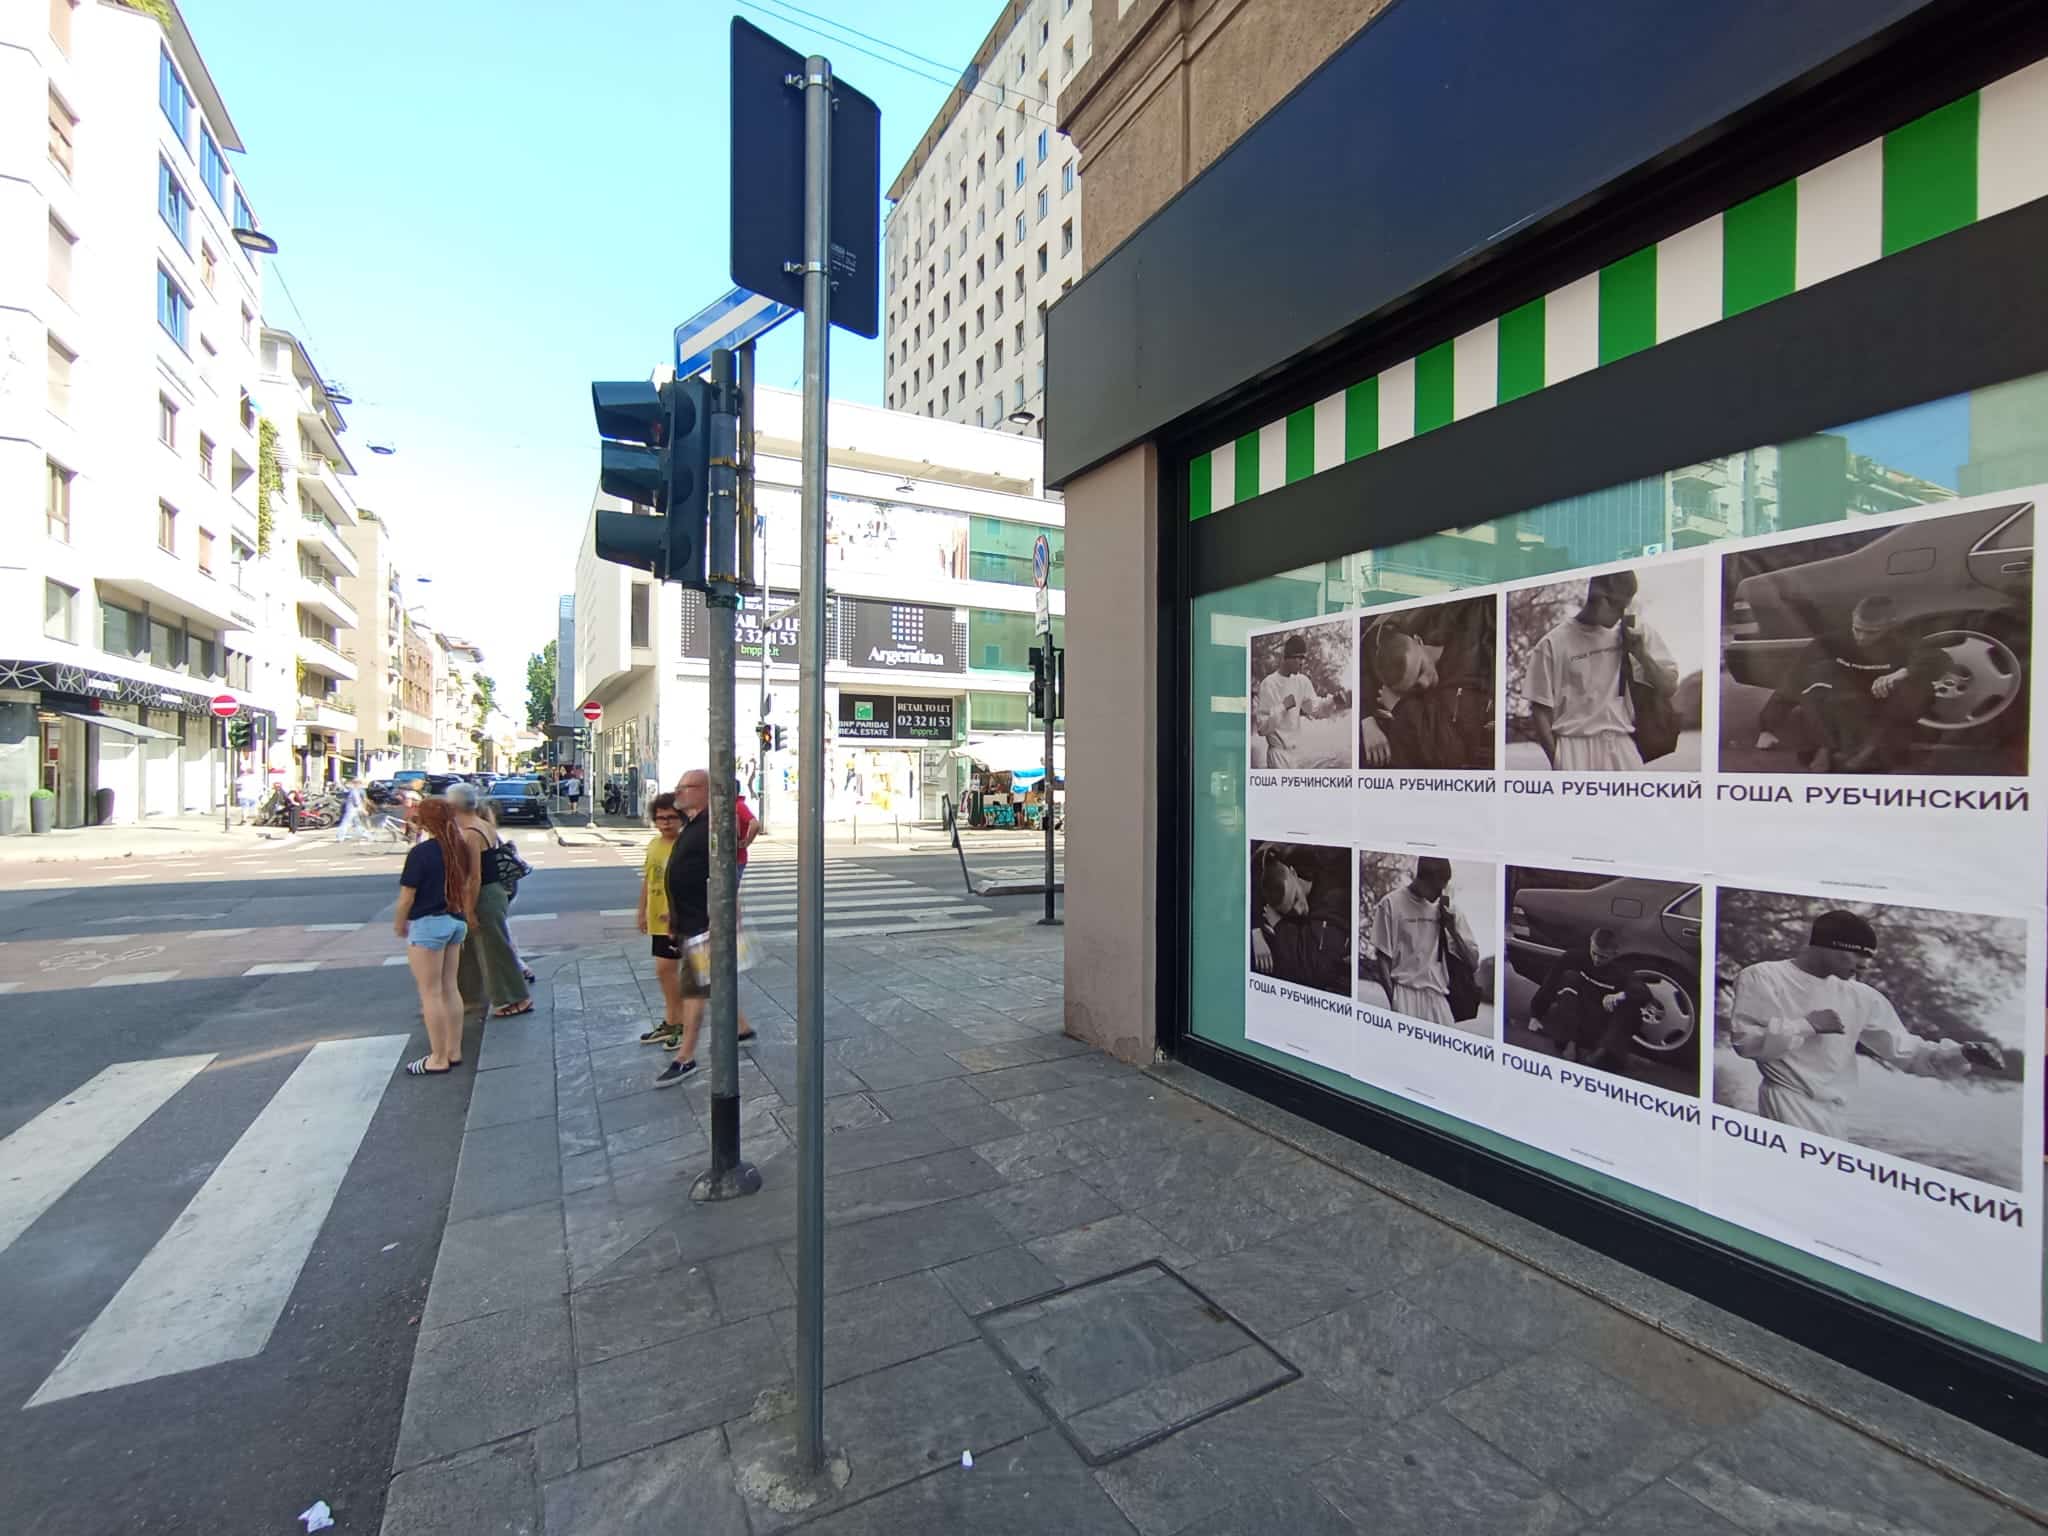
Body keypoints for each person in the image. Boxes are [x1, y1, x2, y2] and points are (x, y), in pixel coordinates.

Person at [1730, 909, 2005, 1139]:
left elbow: (1907, 1052)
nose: (1864, 966)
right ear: (1826, 945)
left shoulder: (1862, 996)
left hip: (1836, 1115)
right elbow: (1747, 1043)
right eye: (1857, 955)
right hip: (1787, 1104)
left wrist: (1962, 1053)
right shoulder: (1763, 976)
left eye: (1868, 957)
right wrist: (1807, 1025)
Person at [1756, 595, 1948, 773]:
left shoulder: (1903, 640)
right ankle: (1830, 747)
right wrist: (1767, 727)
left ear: (1890, 625)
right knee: (1818, 674)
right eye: (1858, 629)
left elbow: (1939, 658)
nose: (1862, 637)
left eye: (1872, 632)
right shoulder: (1831, 641)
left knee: (1915, 684)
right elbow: (1793, 681)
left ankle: (1867, 751)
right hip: (1845, 706)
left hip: (1883, 708)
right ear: (1852, 619)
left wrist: (1901, 673)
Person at [1525, 571, 1679, 771]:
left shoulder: (1634, 631)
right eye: (1620, 606)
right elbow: (1540, 711)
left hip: (1623, 745)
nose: (1623, 614)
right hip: (1573, 747)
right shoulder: (1552, 644)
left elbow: (1669, 687)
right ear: (1601, 599)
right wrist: (1558, 760)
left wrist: (1641, 654)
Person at [393, 797, 475, 1076]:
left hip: (428, 924)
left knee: (431, 992)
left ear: (426, 822)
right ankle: (454, 1050)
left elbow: (407, 896)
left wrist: (400, 923)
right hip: (455, 920)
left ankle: (437, 1058)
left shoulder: (421, 853)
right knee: (450, 987)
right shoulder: (460, 847)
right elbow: (467, 884)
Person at [1362, 603, 1495, 770]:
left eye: (1421, 670)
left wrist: (1400, 706)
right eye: (1415, 686)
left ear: (1418, 641)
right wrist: (1366, 720)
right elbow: (1364, 650)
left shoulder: (1469, 667)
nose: (1425, 683)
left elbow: (1451, 755)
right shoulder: (1382, 655)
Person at [447, 783, 533, 1018]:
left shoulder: (470, 833)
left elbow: (474, 876)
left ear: (454, 806)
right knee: (471, 950)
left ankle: (514, 998)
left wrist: (469, 910)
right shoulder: (483, 824)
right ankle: (469, 997)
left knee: (494, 950)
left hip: (483, 895)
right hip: (493, 892)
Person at [1528, 925, 1661, 1070]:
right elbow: (1550, 983)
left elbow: (1644, 992)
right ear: (1590, 944)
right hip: (1574, 1017)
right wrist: (1535, 1014)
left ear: (1614, 954)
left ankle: (1602, 1053)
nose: (1597, 959)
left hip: (1601, 1025)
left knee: (1630, 1005)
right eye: (1594, 953)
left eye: (1603, 957)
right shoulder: (1573, 957)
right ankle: (1570, 1043)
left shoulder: (1621, 970)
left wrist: (1620, 995)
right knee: (1569, 978)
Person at [1366, 857, 1479, 1027]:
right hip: (1404, 993)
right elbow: (1383, 960)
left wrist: (1452, 930)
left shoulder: (1449, 910)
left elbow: (1473, 963)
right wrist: (1394, 1000)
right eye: (1437, 888)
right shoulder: (1391, 904)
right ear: (1423, 879)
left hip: (1438, 997)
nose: (1440, 893)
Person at [1250, 845, 1348, 996]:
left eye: (1296, 898)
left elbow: (1316, 969)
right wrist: (1255, 931)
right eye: (1290, 911)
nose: (1299, 910)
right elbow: (1253, 869)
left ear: (1293, 872)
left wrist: (1279, 924)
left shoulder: (1332, 899)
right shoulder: (1272, 874)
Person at [1250, 633, 1349, 769]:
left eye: (1303, 658)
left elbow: (1315, 709)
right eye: (1298, 657)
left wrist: (1333, 701)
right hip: (1278, 756)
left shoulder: (1302, 681)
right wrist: (1283, 707)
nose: (1302, 662)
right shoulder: (1269, 684)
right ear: (1287, 658)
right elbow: (1262, 728)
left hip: (1296, 755)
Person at [637, 793, 689, 1049]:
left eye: (671, 817)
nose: (665, 822)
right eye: (660, 818)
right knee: (666, 972)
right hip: (658, 918)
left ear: (681, 818)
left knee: (668, 971)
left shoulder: (685, 846)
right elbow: (648, 880)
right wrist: (642, 911)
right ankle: (672, 1021)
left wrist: (677, 912)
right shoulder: (654, 845)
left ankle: (679, 1023)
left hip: (678, 919)